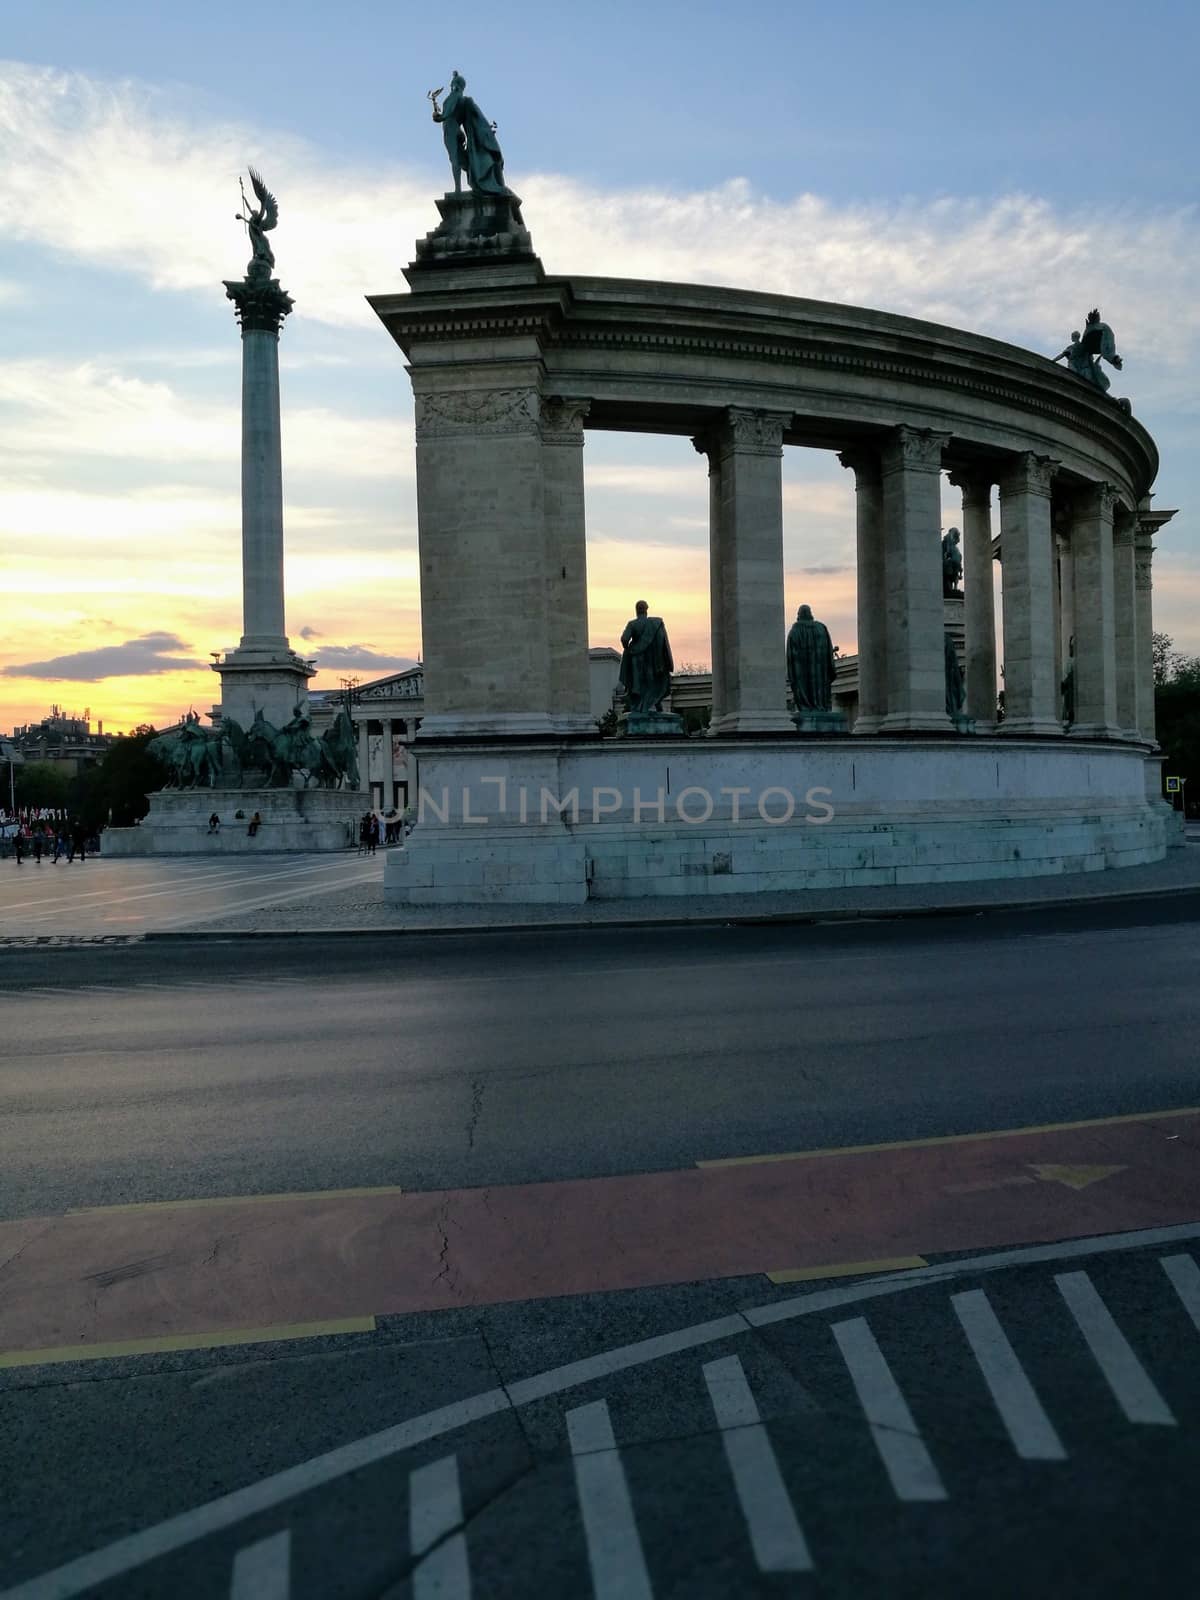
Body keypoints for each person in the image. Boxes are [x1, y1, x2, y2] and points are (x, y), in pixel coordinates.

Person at [619, 600, 675, 713]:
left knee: (637, 684)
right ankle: (653, 704)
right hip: (653, 658)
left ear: (636, 611)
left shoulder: (632, 624)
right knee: (652, 681)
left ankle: (639, 706)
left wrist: (628, 648)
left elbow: (624, 639)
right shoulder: (656, 623)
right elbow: (662, 642)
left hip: (636, 657)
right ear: (646, 610)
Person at [787, 605, 838, 712]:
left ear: (799, 615)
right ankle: (821, 705)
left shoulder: (795, 631)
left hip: (802, 671)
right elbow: (829, 650)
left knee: (804, 686)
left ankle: (806, 706)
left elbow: (791, 656)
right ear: (810, 613)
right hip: (820, 670)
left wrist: (792, 673)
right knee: (820, 686)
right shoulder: (821, 628)